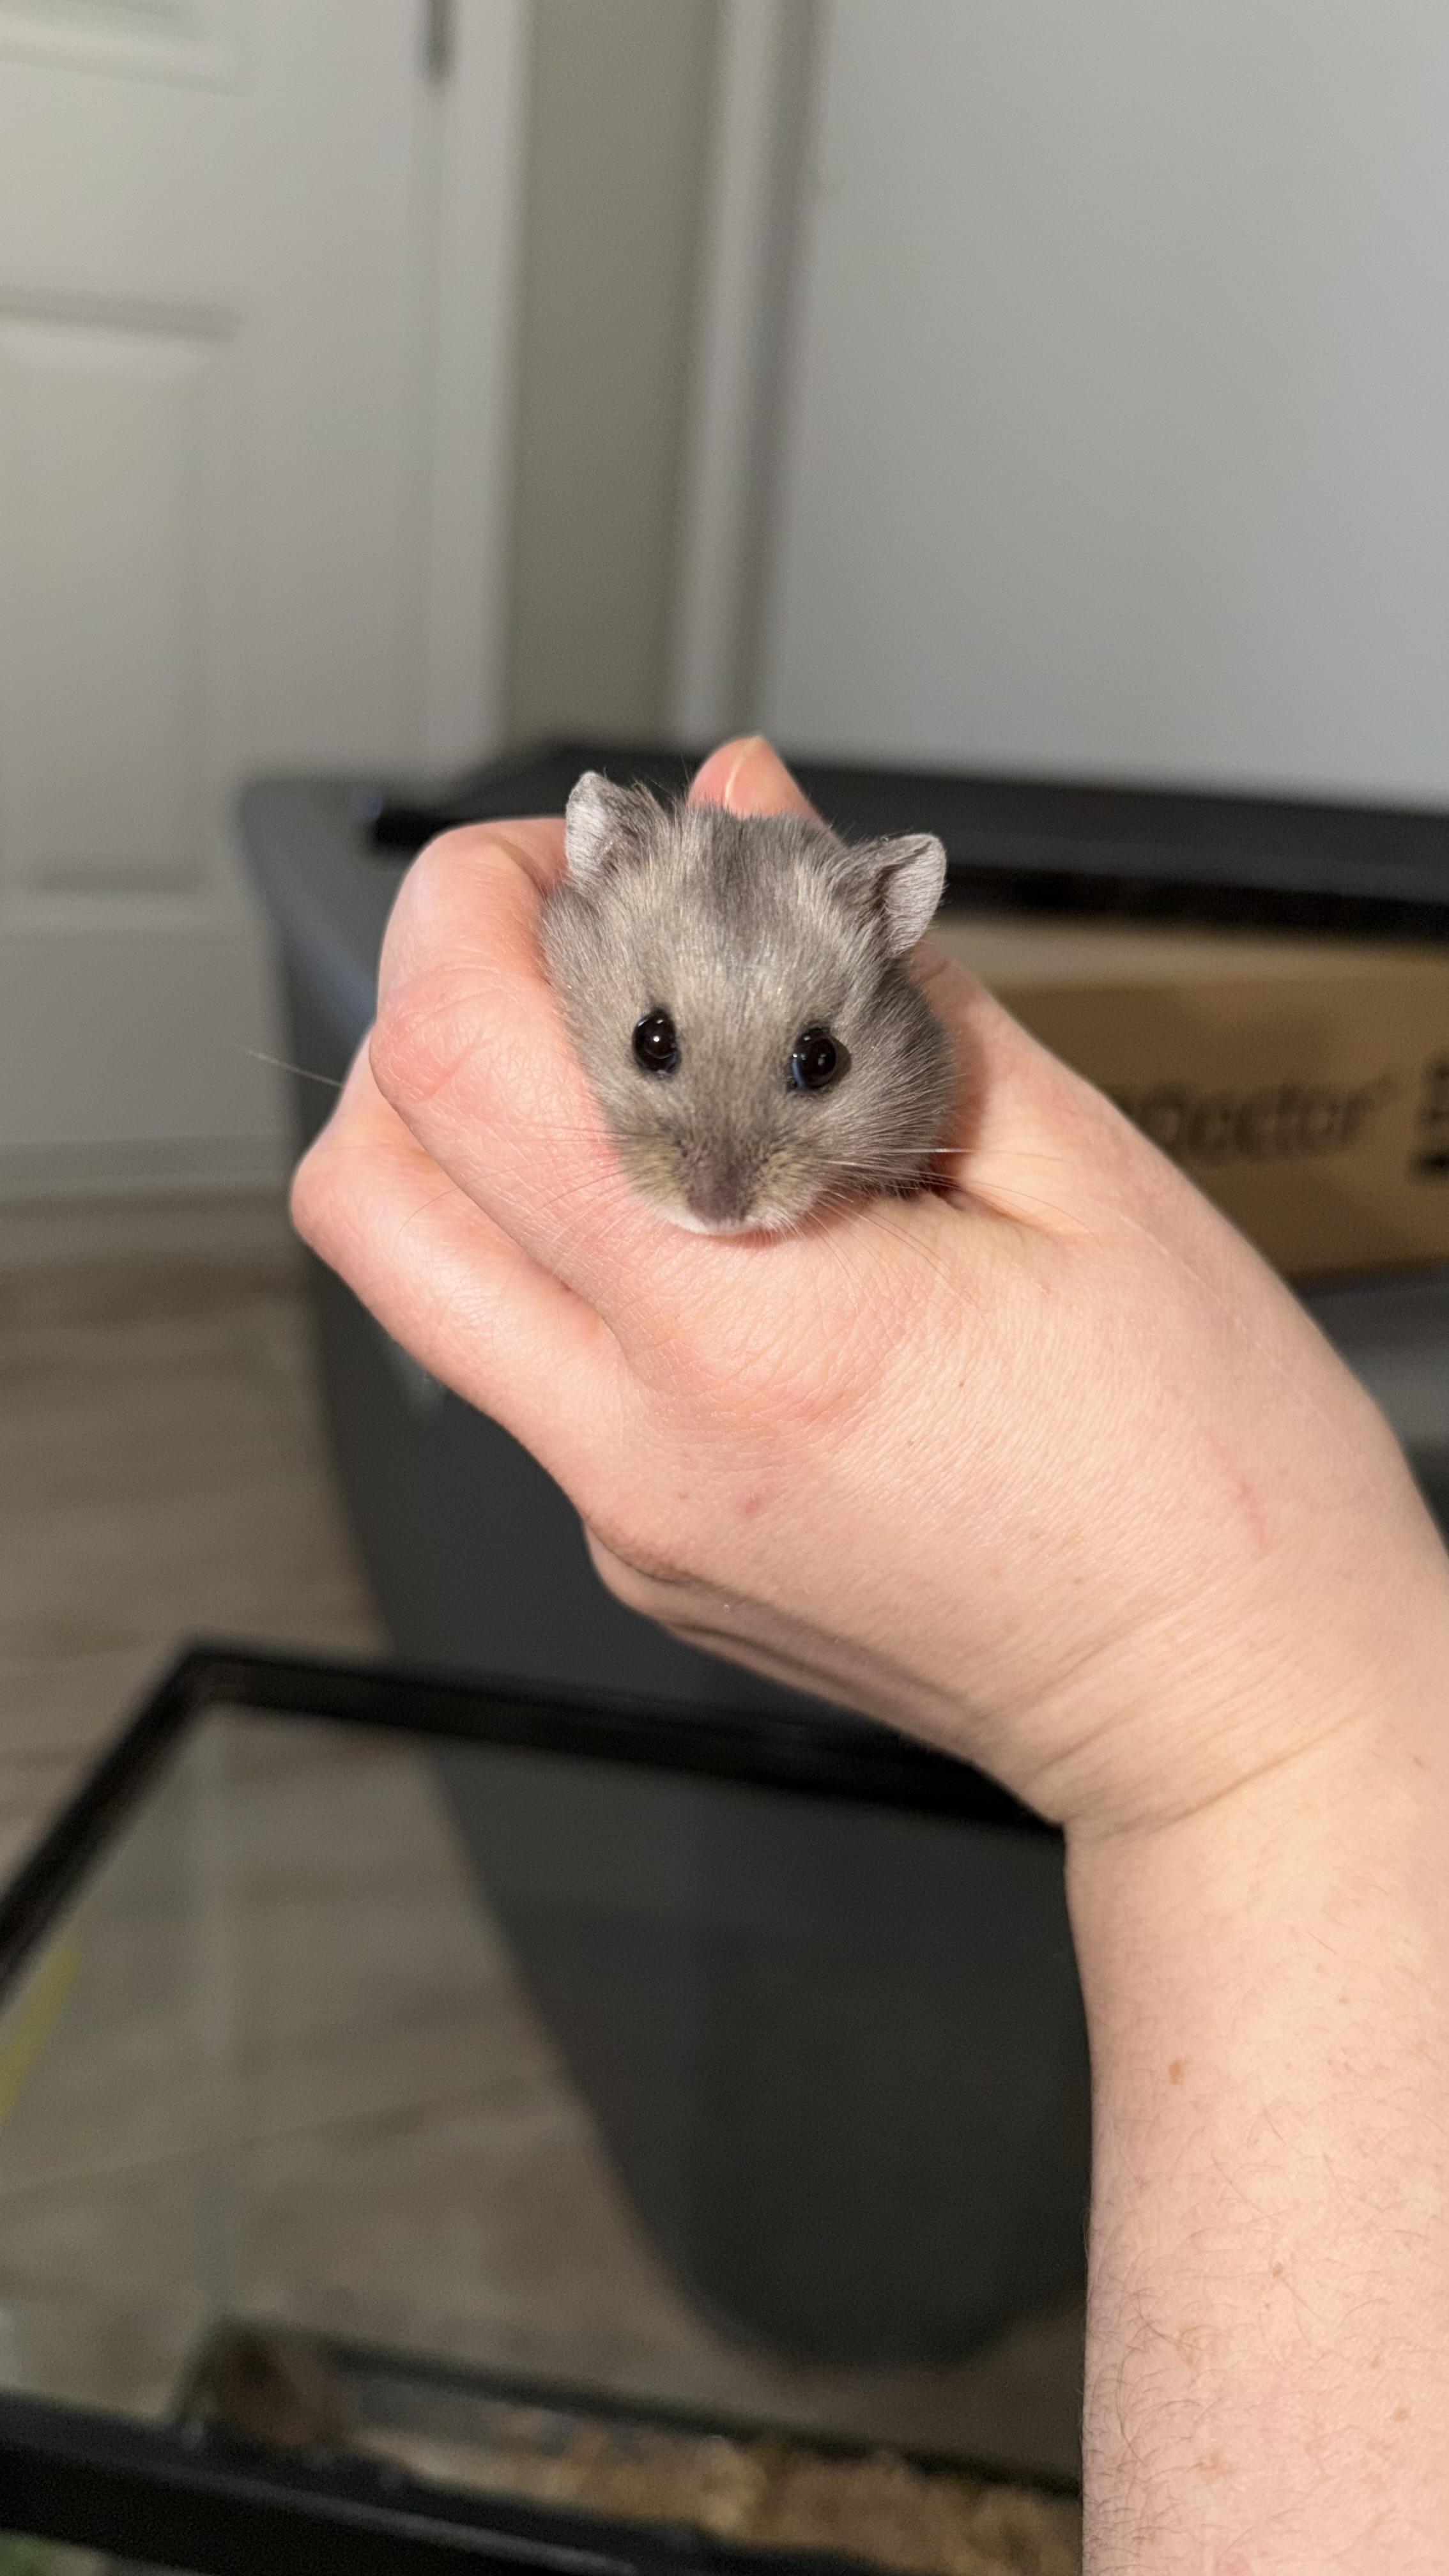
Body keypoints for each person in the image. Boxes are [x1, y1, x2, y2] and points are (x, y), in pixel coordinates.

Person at [292, 735, 1449, 2574]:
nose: (730, 1166)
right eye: (663, 1051)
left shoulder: (914, 1077)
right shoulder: (609, 948)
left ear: (890, 964)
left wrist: (1211, 1707)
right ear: (592, 906)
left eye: (812, 1067)